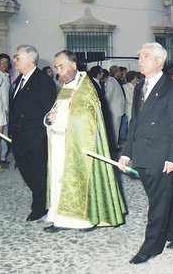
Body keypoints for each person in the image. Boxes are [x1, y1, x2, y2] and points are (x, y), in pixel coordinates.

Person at [118, 42, 173, 264]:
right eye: (140, 56)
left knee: (156, 203)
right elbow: (135, 123)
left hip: (161, 154)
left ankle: (151, 246)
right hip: (142, 153)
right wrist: (126, 153)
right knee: (159, 198)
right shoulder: (140, 86)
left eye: (146, 56)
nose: (140, 60)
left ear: (159, 61)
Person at [42, 50, 126, 233]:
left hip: (79, 145)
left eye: (61, 66)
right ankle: (60, 219)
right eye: (56, 67)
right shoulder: (65, 88)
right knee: (58, 180)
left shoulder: (86, 89)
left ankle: (83, 221)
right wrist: (49, 118)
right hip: (59, 144)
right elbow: (55, 111)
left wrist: (60, 118)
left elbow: (85, 120)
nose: (58, 71)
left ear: (73, 65)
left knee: (78, 180)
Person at [10, 44, 57, 222]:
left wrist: (43, 136)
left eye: (17, 57)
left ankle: (40, 205)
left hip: (36, 137)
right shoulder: (17, 81)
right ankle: (40, 197)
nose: (14, 60)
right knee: (25, 170)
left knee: (37, 172)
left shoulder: (42, 81)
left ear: (30, 59)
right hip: (19, 136)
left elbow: (48, 110)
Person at [0, 53, 11, 167]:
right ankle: (0, 158)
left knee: (5, 135)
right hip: (0, 110)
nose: (4, 64)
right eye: (2, 62)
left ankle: (2, 157)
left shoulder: (6, 76)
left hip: (6, 110)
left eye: (6, 62)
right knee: (1, 135)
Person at [104, 65, 126, 151]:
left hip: (117, 109)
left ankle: (115, 144)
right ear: (115, 72)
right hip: (114, 109)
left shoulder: (115, 81)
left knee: (116, 128)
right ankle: (113, 146)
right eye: (119, 71)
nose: (121, 73)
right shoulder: (110, 82)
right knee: (114, 129)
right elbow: (108, 97)